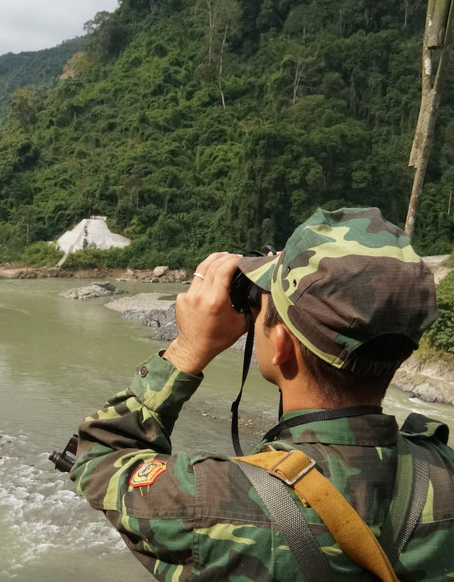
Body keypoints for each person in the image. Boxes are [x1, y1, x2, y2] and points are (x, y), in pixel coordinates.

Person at [69, 207, 454, 580]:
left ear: (282, 344)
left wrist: (187, 350)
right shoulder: (444, 470)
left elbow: (98, 456)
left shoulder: (213, 500)